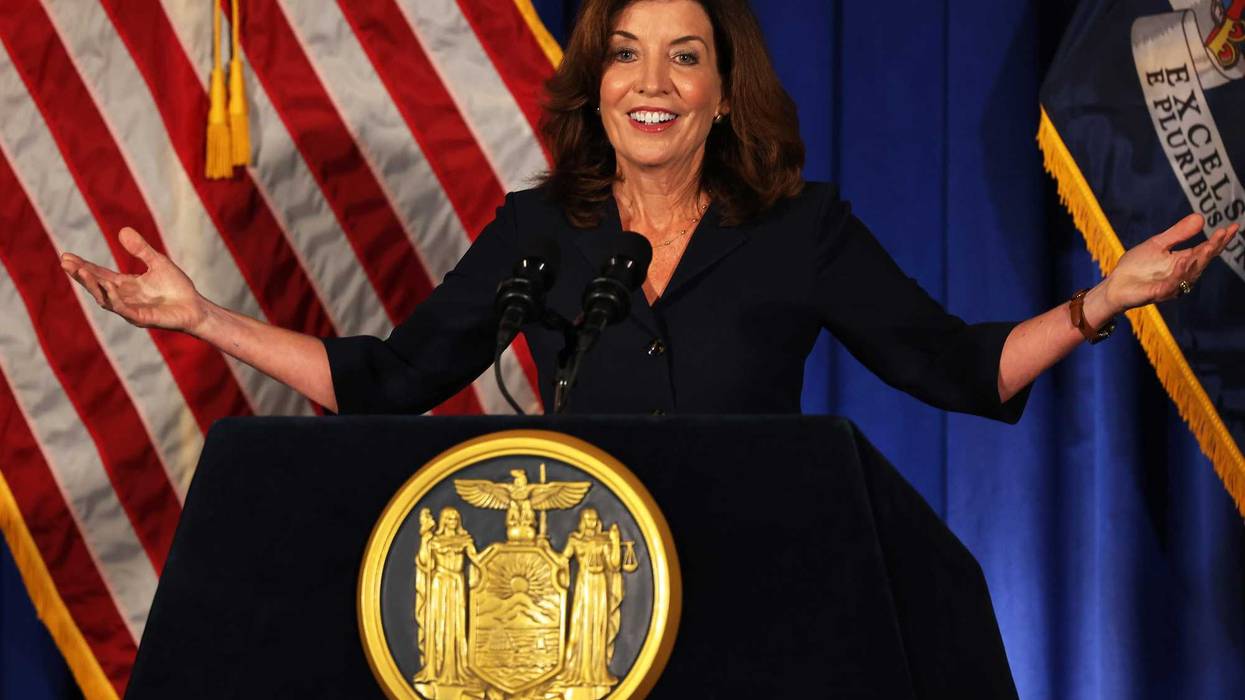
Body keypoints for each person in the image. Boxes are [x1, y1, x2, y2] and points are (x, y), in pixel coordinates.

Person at [59, 0, 1238, 419]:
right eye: (626, 56)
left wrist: (1106, 300)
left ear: (726, 93)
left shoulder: (801, 229)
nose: (652, 83)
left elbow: (957, 370)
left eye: (684, 58)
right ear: (596, 83)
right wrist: (206, 317)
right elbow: (390, 377)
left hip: (757, 603)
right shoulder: (540, 234)